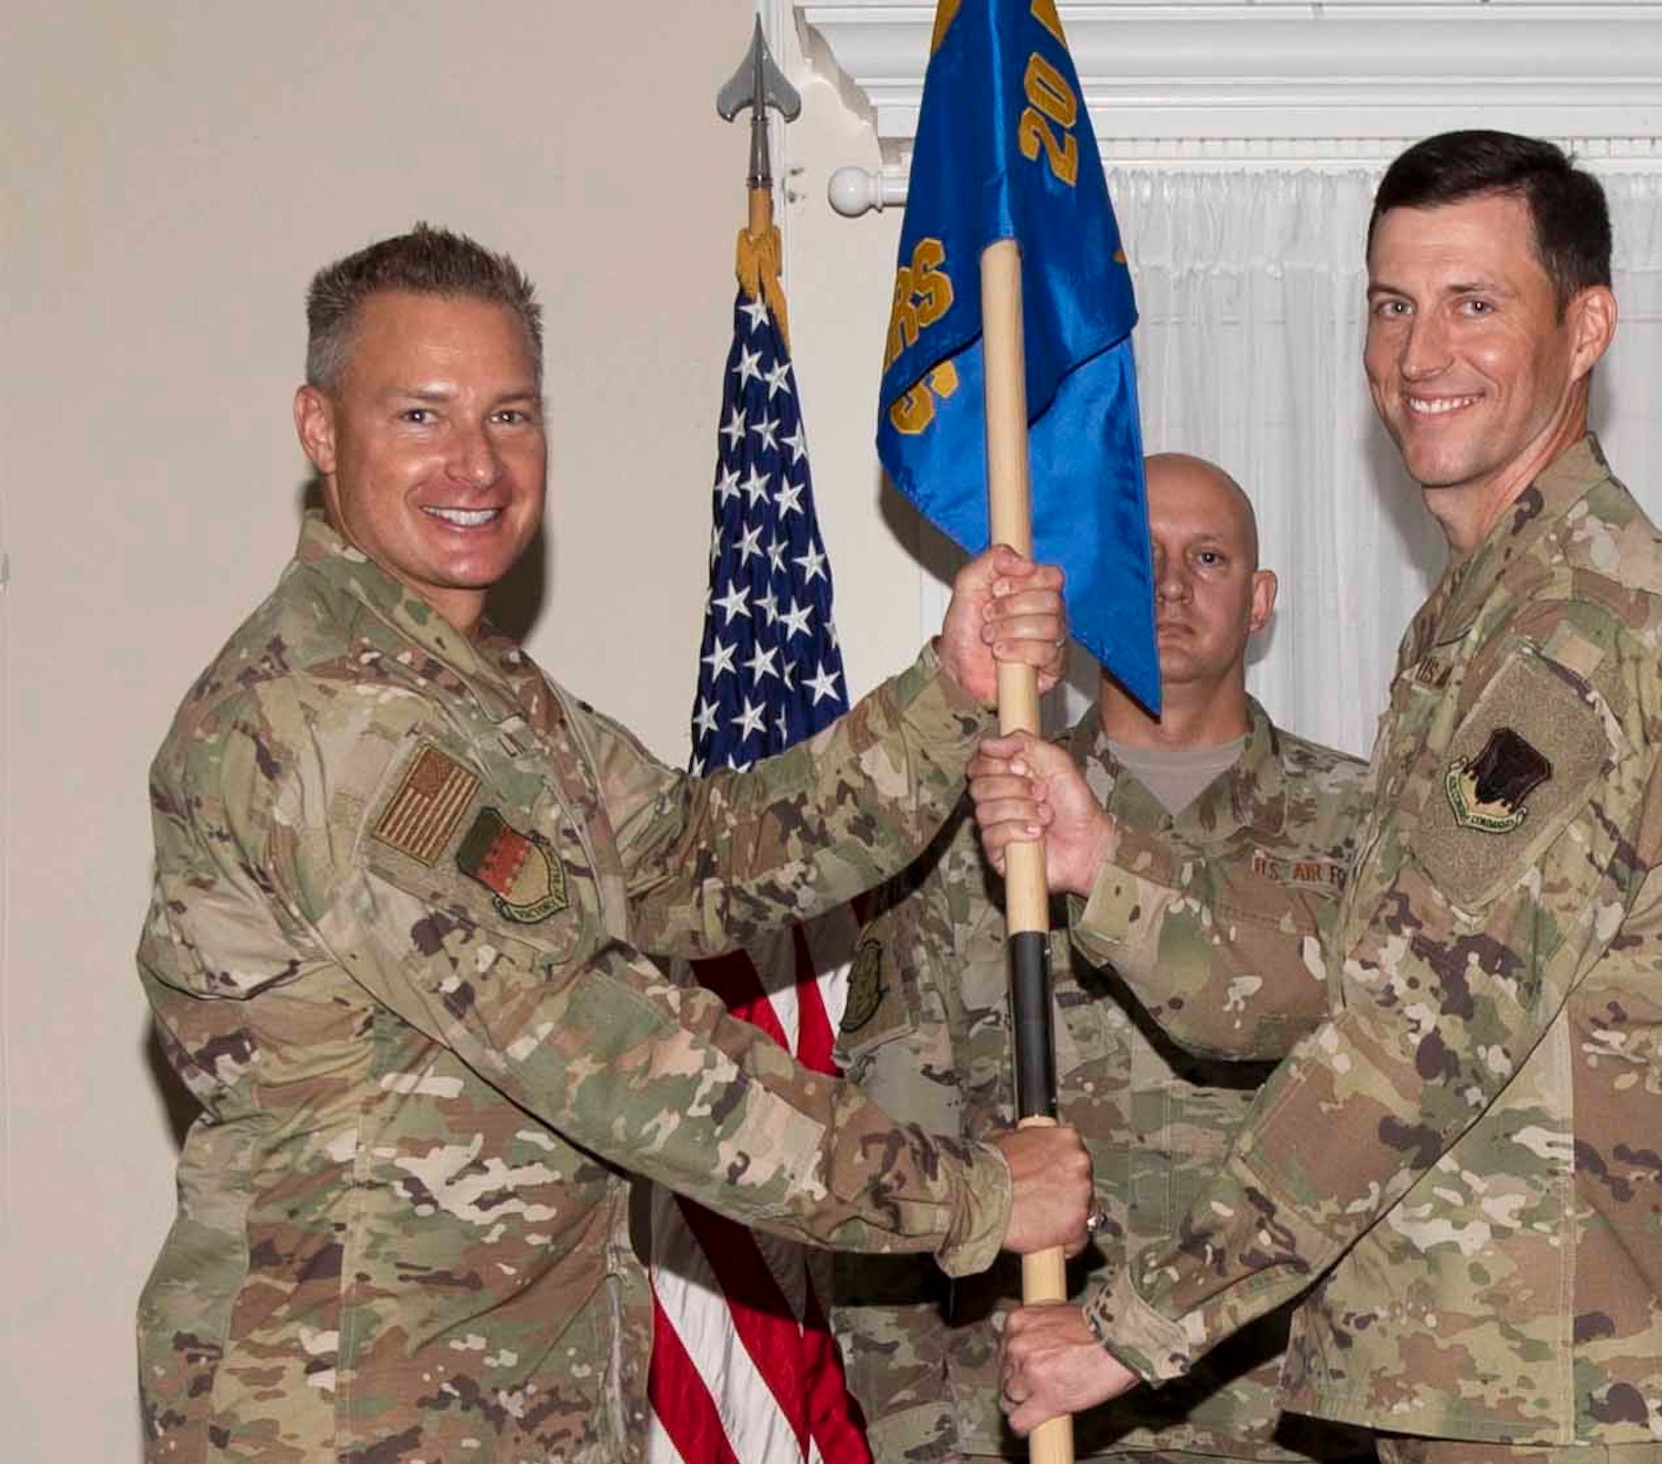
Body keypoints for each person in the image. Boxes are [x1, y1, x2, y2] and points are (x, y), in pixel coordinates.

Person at [135, 224, 1095, 1464]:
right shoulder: (336, 717)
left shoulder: (475, 692)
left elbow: (699, 859)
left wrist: (948, 695)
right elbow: (610, 1050)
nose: (475, 464)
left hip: (503, 1399)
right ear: (321, 431)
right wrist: (971, 1194)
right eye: (419, 416)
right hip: (351, 1413)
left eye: (510, 415)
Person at [974, 133, 1662, 1464]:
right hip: (1471, 1372)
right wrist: (1106, 865)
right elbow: (1355, 970)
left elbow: (1425, 1030)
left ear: (1585, 328)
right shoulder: (1475, 626)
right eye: (1392, 304)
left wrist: (1134, 1328)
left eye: (1476, 304)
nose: (1422, 356)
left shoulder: (1594, 632)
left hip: (1585, 1392)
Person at [832, 453, 1374, 1464]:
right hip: (1043, 1424)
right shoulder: (976, 831)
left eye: (1206, 558)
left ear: (1259, 603)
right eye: (1139, 554)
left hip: (1298, 1421)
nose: (1169, 586)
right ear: (1080, 589)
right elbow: (888, 1172)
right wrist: (924, 1445)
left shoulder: (1365, 830)